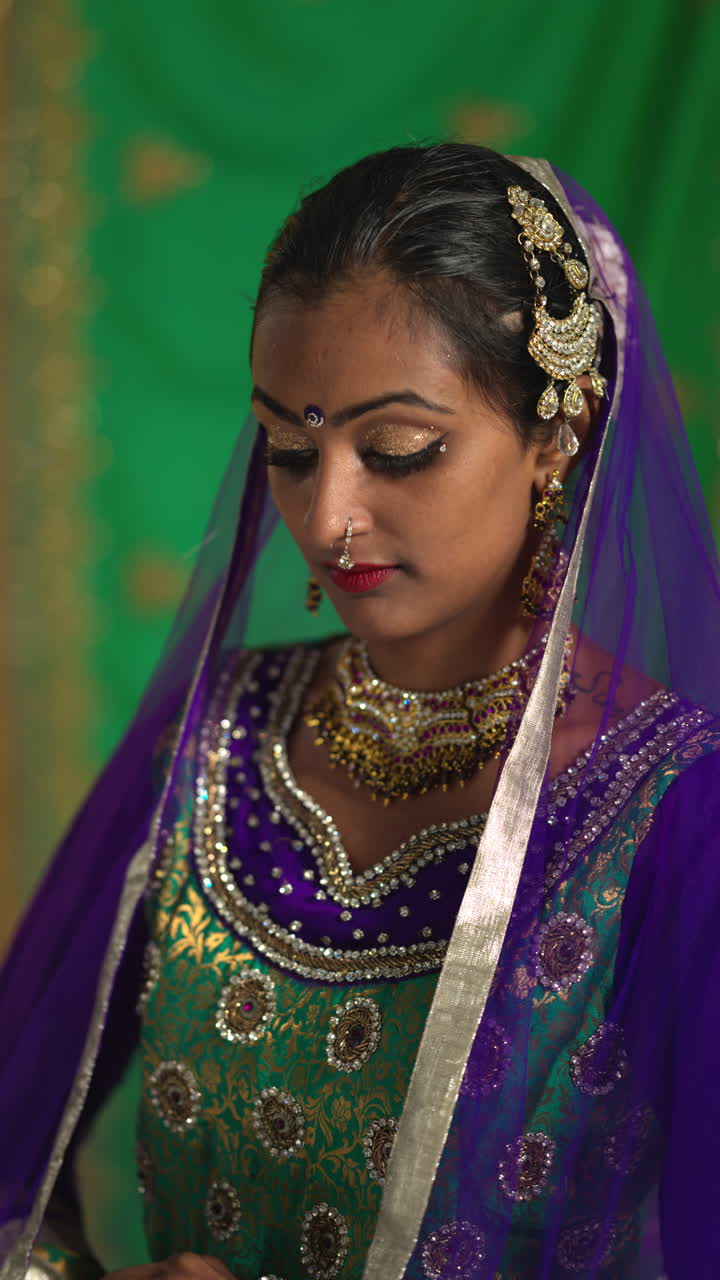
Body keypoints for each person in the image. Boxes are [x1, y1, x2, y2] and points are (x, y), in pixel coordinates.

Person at [1, 143, 719, 1280]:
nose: (329, 515)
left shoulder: (674, 815)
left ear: (555, 436)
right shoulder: (211, 744)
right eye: (291, 449)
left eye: (398, 451)